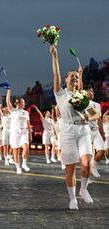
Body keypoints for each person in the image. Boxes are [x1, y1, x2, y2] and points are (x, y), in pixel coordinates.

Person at [49, 45, 99, 209]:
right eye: (72, 76)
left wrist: (87, 116)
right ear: (66, 79)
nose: (75, 79)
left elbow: (95, 115)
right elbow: (55, 73)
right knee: (70, 167)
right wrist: (55, 56)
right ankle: (72, 198)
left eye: (77, 77)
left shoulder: (82, 96)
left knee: (86, 162)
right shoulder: (60, 93)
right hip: (68, 130)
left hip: (83, 130)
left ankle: (83, 190)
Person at [6, 89, 32, 174]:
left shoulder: (26, 113)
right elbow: (7, 102)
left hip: (24, 131)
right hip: (15, 132)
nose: (24, 104)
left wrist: (30, 134)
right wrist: (8, 92)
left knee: (26, 148)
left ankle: (24, 164)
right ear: (18, 103)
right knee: (16, 150)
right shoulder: (13, 111)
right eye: (23, 102)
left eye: (24, 102)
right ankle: (18, 167)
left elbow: (28, 124)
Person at [85, 88, 105, 178]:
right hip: (86, 131)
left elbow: (99, 119)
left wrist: (102, 132)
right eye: (90, 91)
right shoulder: (82, 103)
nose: (93, 92)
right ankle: (87, 176)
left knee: (101, 151)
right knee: (88, 154)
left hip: (96, 130)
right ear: (86, 93)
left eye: (93, 91)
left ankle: (94, 166)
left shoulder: (97, 105)